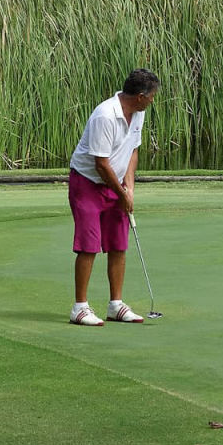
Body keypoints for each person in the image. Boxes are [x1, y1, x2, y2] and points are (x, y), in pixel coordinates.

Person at [67, 68, 160, 326]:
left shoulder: (137, 113)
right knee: (89, 246)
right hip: (87, 184)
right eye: (151, 96)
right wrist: (121, 193)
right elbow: (101, 164)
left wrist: (129, 189)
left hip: (116, 184)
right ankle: (80, 308)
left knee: (119, 244)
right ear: (140, 96)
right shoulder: (105, 116)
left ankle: (115, 304)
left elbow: (132, 151)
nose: (153, 100)